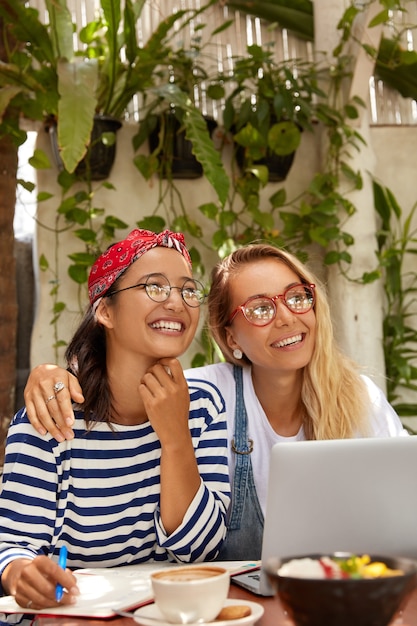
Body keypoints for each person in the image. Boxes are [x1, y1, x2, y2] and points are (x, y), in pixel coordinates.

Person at [23, 243, 407, 562]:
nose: (287, 317)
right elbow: (126, 390)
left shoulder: (359, 399)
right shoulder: (204, 396)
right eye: (260, 308)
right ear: (231, 337)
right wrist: (53, 374)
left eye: (296, 297)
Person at [0, 229, 230, 611]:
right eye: (154, 287)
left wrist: (175, 439)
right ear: (105, 311)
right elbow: (12, 547)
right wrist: (23, 573)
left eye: (188, 290)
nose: (177, 302)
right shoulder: (53, 414)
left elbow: (200, 550)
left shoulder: (204, 406)